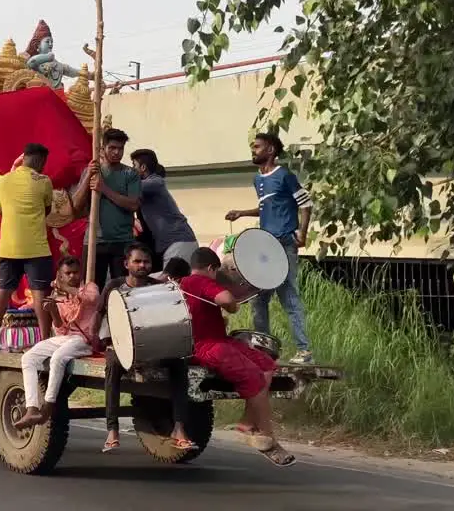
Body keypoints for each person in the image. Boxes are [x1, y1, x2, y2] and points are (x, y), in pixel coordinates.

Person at [181, 247, 294, 466]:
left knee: (267, 364)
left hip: (219, 341)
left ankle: (246, 422)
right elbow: (226, 300)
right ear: (212, 268)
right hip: (207, 346)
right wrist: (232, 304)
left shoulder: (182, 282)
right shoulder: (200, 282)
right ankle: (268, 437)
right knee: (255, 378)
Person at [225, 131, 315, 365]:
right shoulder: (258, 179)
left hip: (284, 244)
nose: (253, 150)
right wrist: (242, 213)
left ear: (270, 150)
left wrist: (302, 232)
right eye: (253, 147)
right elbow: (267, 207)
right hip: (265, 245)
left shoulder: (284, 175)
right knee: (258, 298)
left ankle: (304, 350)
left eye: (257, 147)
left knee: (289, 297)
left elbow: (306, 204)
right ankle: (262, 351)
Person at [95, 243, 194, 453]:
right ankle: (112, 429)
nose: (142, 265)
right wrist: (96, 340)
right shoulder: (114, 286)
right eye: (137, 261)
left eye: (146, 262)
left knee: (179, 363)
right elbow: (100, 314)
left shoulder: (157, 287)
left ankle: (178, 427)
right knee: (112, 366)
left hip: (150, 348)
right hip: (120, 348)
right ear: (126, 264)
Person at [0, 143, 55, 349]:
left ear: (23, 158)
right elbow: (47, 209)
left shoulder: (3, 181)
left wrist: (13, 168)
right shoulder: (44, 181)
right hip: (37, 248)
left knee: (1, 292)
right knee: (40, 293)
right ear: (40, 161)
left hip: (8, 248)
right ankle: (44, 341)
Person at [14, 257, 99, 428]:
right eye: (67, 273)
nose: (72, 276)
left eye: (75, 272)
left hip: (85, 340)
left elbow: (92, 299)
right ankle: (32, 408)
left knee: (58, 357)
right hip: (67, 338)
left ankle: (48, 407)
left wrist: (66, 287)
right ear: (60, 275)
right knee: (29, 358)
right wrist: (53, 311)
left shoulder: (90, 287)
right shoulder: (58, 296)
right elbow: (61, 329)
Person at [74, 128, 141, 289]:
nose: (117, 152)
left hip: (122, 241)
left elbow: (133, 204)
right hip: (94, 241)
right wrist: (88, 177)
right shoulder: (93, 171)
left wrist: (104, 189)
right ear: (103, 148)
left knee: (123, 290)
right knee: (91, 290)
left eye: (120, 148)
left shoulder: (130, 174)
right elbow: (76, 206)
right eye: (112, 148)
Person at [129, 149, 196, 269]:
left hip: (178, 243)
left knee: (169, 283)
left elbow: (128, 186)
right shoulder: (148, 186)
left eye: (134, 165)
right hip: (174, 244)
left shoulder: (155, 182)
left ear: (143, 167)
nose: (132, 169)